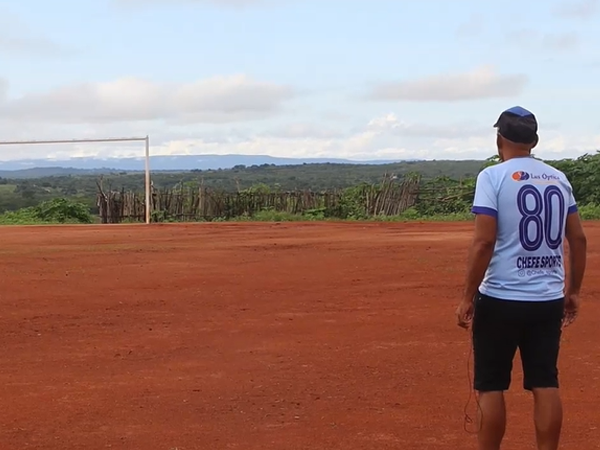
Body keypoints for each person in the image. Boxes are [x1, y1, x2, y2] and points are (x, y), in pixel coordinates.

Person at [455, 106, 588, 450]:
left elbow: (484, 241)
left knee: (492, 385)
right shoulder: (559, 178)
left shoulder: (492, 177)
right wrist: (572, 291)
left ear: (500, 139)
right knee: (545, 381)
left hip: (500, 297)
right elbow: (578, 239)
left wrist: (468, 296)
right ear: (535, 141)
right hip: (547, 299)